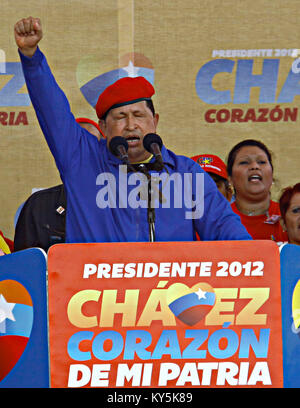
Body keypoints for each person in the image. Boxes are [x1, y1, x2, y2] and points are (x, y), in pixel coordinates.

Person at [14, 17, 251, 244]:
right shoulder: (82, 160)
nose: (131, 125)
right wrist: (31, 58)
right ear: (104, 127)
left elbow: (225, 229)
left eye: (138, 115)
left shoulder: (185, 174)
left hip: (172, 286)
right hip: (95, 286)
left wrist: (257, 260)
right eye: (120, 117)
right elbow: (52, 111)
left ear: (155, 121)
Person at [13, 118, 102, 252]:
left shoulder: (121, 202)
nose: (84, 152)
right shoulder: (38, 205)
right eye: (75, 146)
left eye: (91, 144)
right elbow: (26, 265)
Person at [227, 139, 288, 242]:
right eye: (244, 162)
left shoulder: (289, 216)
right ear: (230, 179)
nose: (255, 166)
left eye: (262, 162)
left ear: (272, 175)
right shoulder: (219, 220)